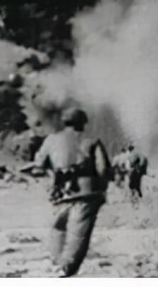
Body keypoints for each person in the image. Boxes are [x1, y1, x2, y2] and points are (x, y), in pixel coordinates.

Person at [32, 106, 112, 277]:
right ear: (82, 122)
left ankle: (56, 263)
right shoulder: (92, 141)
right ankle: (65, 271)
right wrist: (105, 184)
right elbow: (103, 169)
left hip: (61, 192)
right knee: (78, 235)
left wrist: (55, 174)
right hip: (87, 193)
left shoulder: (51, 140)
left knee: (58, 229)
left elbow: (38, 166)